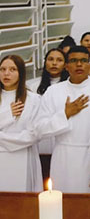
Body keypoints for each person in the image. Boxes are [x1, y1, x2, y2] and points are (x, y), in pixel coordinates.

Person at [37, 45, 90, 192]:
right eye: (73, 60)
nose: (79, 65)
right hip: (63, 159)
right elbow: (40, 129)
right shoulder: (53, 91)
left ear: (89, 65)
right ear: (66, 66)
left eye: (83, 61)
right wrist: (65, 114)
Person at [0, 55, 42, 191]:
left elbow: (33, 134)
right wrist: (8, 114)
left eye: (12, 69)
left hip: (23, 157)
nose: (6, 73)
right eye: (2, 69)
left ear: (21, 73)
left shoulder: (33, 99)